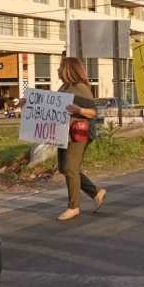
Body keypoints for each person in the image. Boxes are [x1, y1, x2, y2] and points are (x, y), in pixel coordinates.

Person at [55, 57, 106, 221]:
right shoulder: (64, 87)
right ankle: (95, 192)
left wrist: (80, 109)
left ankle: (73, 207)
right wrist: (29, 103)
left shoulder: (80, 87)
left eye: (60, 67)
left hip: (78, 134)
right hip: (64, 133)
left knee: (70, 168)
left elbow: (93, 112)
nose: (57, 70)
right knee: (64, 168)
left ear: (68, 69)